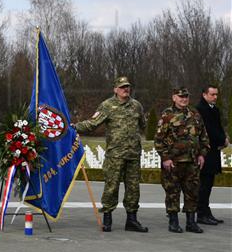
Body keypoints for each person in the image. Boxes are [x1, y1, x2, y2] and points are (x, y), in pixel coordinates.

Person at [74, 76, 148, 232]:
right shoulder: (107, 106)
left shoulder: (136, 106)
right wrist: (73, 127)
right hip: (115, 155)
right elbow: (92, 124)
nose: (125, 89)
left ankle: (132, 220)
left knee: (133, 188)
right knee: (111, 187)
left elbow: (143, 125)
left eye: (127, 86)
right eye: (122, 87)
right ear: (115, 89)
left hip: (133, 154)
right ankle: (107, 218)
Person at [154, 87, 210, 234]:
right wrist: (165, 158)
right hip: (173, 162)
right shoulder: (167, 115)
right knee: (172, 192)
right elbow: (159, 140)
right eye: (180, 96)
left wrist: (202, 154)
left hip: (192, 162)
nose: (184, 99)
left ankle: (191, 222)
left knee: (192, 192)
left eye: (186, 96)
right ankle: (173, 222)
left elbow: (204, 137)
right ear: (174, 97)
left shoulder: (195, 114)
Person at [195, 84, 228, 225]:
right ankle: (201, 213)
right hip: (205, 151)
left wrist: (224, 137)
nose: (215, 97)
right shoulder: (200, 110)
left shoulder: (214, 109)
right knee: (204, 183)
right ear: (204, 95)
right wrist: (222, 139)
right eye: (212, 94)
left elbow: (218, 127)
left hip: (213, 150)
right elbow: (208, 130)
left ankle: (206, 211)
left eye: (216, 95)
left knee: (209, 183)